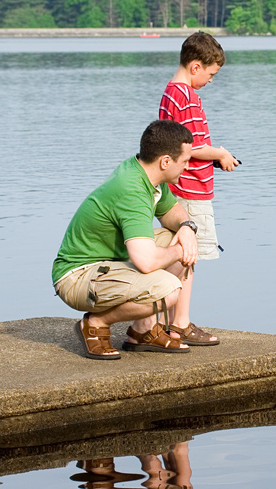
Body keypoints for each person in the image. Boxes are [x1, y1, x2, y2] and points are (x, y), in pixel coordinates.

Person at [52, 119, 218, 360]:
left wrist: (187, 228)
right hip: (77, 276)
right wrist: (180, 252)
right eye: (185, 161)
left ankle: (143, 331)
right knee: (168, 291)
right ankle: (96, 323)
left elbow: (172, 212)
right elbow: (146, 262)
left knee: (177, 238)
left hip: (108, 264)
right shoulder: (132, 190)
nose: (187, 166)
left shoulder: (144, 173)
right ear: (165, 161)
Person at [159, 31, 238, 345]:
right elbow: (190, 147)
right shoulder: (188, 96)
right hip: (191, 191)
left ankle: (165, 320)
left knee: (178, 254)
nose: (210, 80)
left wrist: (212, 156)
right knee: (188, 257)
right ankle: (180, 322)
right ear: (195, 67)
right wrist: (219, 153)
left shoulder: (170, 92)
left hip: (177, 186)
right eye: (210, 74)